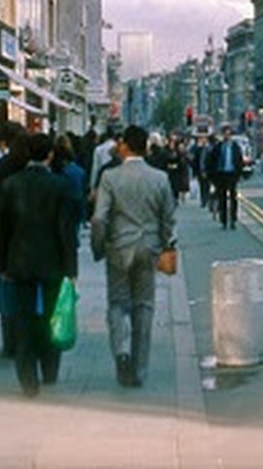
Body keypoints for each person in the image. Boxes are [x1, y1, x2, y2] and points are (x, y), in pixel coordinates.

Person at [91, 125, 177, 388]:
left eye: (120, 143)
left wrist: (98, 248)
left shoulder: (110, 178)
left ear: (127, 146)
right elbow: (168, 219)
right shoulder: (160, 178)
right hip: (148, 249)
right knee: (144, 307)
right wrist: (165, 245)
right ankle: (139, 370)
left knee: (117, 304)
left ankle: (121, 352)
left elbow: (98, 218)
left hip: (118, 248)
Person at [0, 133, 77, 397]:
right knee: (52, 315)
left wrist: (1, 263)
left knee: (23, 318)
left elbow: (2, 228)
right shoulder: (60, 185)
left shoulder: (10, 184)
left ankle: (27, 377)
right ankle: (50, 368)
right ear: (50, 155)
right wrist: (71, 268)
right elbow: (67, 231)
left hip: (19, 260)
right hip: (52, 260)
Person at [0, 122, 29, 357]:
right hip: (29, 234)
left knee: (7, 289)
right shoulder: (29, 168)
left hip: (4, 235)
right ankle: (26, 337)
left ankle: (9, 340)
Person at [207, 124, 245, 230]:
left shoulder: (235, 147)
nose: (227, 136)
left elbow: (239, 161)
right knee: (222, 198)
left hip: (232, 174)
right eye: (225, 134)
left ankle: (233, 220)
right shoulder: (218, 147)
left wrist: (239, 173)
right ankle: (223, 221)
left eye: (229, 134)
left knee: (233, 198)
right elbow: (212, 161)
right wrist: (212, 176)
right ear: (223, 135)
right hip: (221, 174)